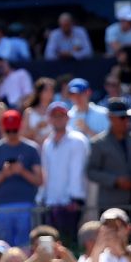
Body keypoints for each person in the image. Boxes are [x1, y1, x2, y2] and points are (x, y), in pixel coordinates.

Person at [0, 110, 43, 246]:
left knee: (25, 246)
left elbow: (39, 180)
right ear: (3, 128)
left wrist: (21, 171)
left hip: (26, 205)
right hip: (3, 206)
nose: (12, 134)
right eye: (8, 130)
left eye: (14, 130)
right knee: (4, 247)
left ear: (21, 126)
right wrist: (4, 174)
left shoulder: (31, 149)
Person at [37, 102, 89, 239]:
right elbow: (45, 171)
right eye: (54, 116)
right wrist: (43, 197)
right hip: (51, 202)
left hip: (70, 203)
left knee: (70, 243)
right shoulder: (47, 143)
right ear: (49, 119)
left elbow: (77, 171)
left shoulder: (78, 140)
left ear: (67, 118)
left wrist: (75, 199)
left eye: (61, 115)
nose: (58, 119)